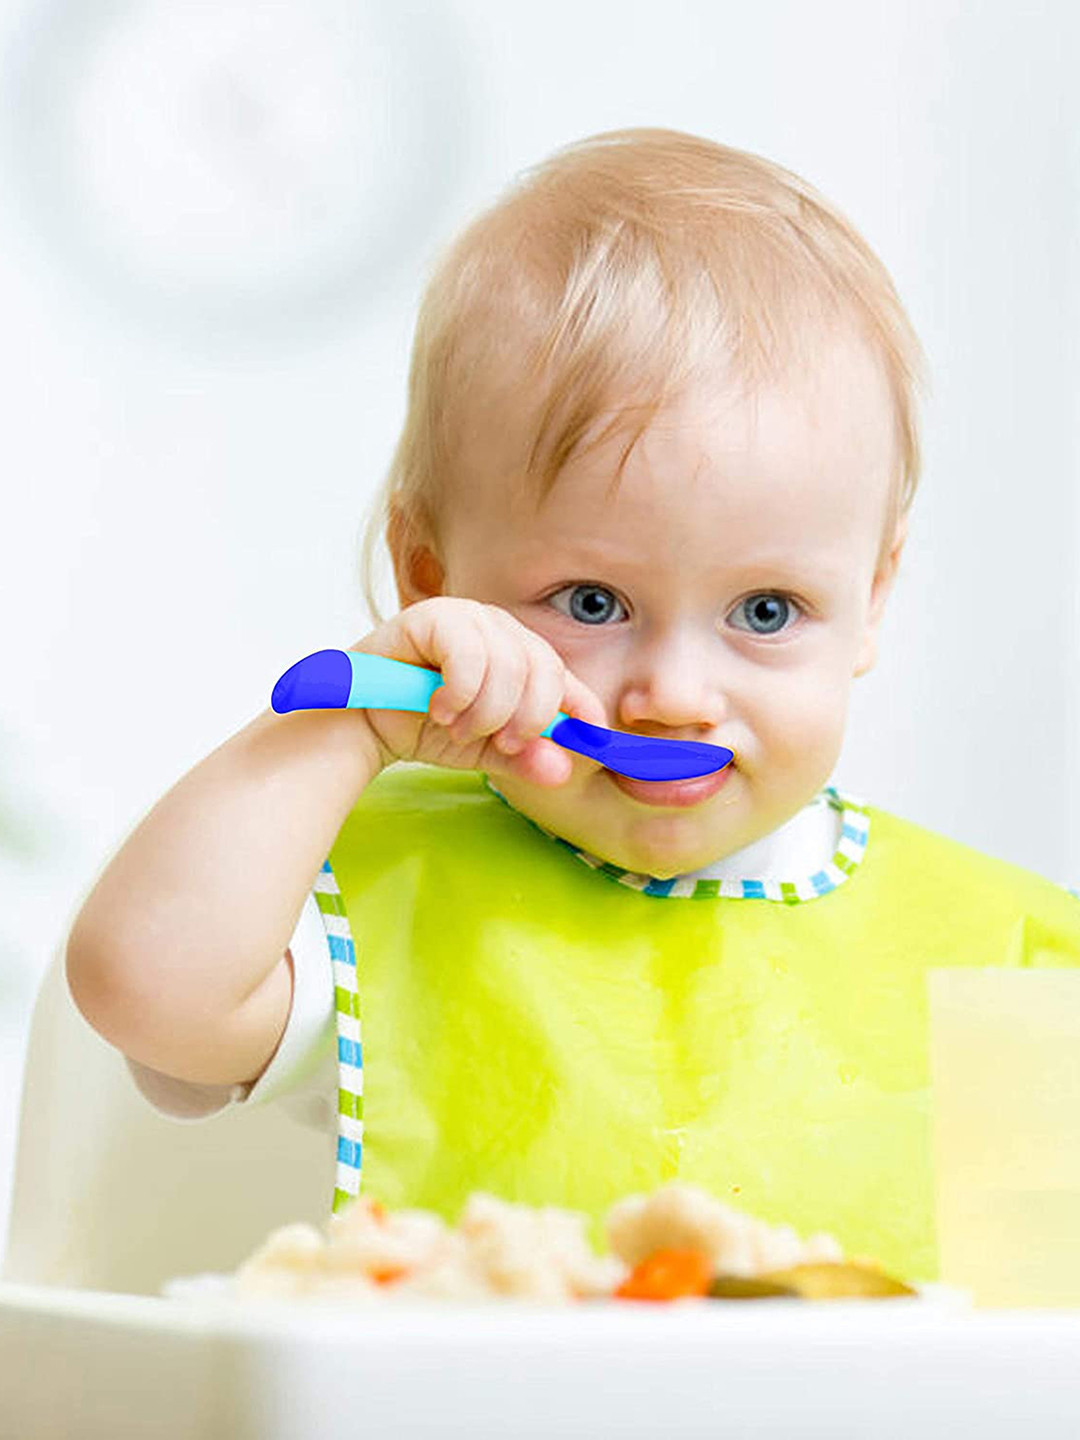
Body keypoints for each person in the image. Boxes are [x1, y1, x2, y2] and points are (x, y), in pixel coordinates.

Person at [64, 129, 1080, 1285]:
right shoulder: (358, 897)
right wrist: (351, 719)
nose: (677, 696)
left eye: (766, 611)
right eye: (592, 602)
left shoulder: (1012, 959)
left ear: (872, 601)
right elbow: (143, 990)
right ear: (431, 579)